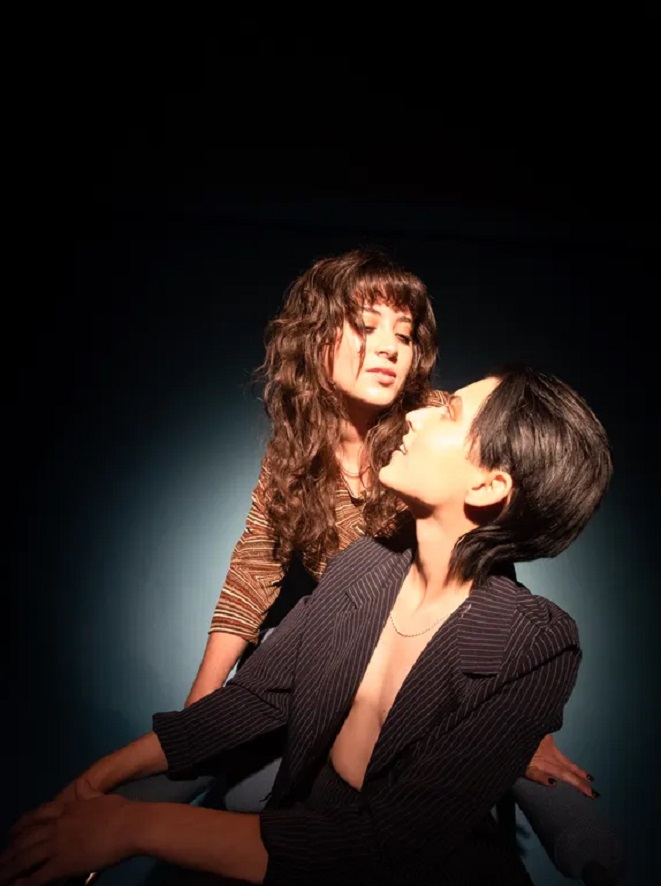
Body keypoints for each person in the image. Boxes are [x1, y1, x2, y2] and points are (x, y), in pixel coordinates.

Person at [0, 366, 618, 886]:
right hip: (293, 868)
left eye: (450, 412)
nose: (417, 414)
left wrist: (133, 826)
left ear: (489, 487)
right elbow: (256, 702)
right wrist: (90, 789)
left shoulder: (537, 642)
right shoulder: (367, 567)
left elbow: (379, 854)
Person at [138, 247, 594, 808]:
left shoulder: (433, 429)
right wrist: (202, 702)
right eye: (365, 326)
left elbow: (486, 560)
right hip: (319, 656)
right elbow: (253, 571)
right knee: (230, 783)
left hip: (410, 673)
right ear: (315, 337)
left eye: (403, 334)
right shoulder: (295, 449)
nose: (389, 348)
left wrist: (525, 728)